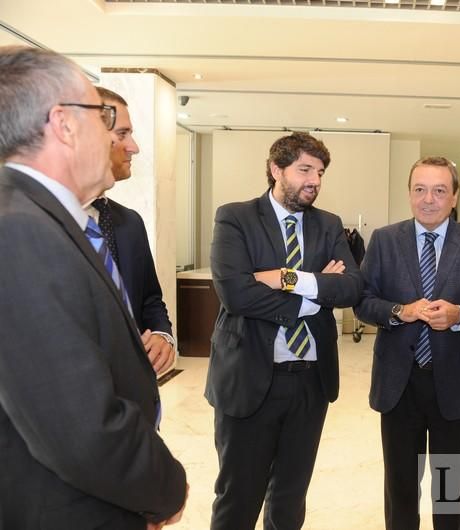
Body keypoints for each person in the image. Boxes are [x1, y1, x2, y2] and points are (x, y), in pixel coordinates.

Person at [0, 46, 186, 529]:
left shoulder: (38, 218)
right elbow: (80, 429)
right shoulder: (19, 230)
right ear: (63, 124)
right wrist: (165, 488)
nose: (128, 144)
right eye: (104, 117)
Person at [206, 131, 363, 530]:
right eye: (305, 169)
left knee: (290, 499)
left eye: (321, 172)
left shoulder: (329, 225)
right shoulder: (235, 217)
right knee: (238, 496)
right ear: (276, 169)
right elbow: (237, 295)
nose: (315, 180)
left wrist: (285, 276)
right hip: (249, 379)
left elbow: (350, 288)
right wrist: (315, 293)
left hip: (310, 383)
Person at [355, 156, 460, 530]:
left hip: (455, 382)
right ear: (409, 194)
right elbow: (363, 302)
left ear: (454, 196)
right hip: (399, 384)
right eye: (420, 190)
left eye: (439, 190)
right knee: (400, 488)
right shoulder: (385, 240)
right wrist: (400, 310)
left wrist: (459, 315)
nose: (428, 199)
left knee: (451, 491)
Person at [85, 86, 175, 375]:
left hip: (134, 393)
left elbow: (149, 297)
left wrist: (163, 336)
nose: (134, 147)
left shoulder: (129, 222)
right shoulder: (40, 220)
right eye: (122, 134)